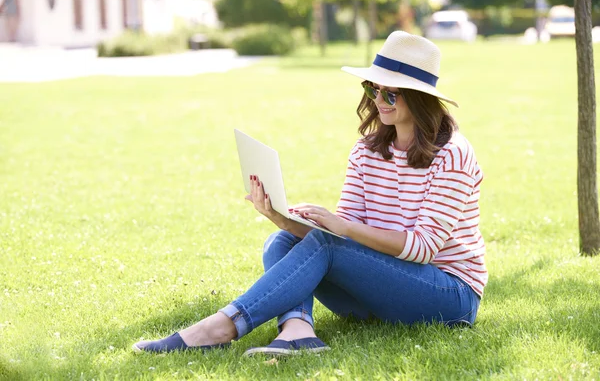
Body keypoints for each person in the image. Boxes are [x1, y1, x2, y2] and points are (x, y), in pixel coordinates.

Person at [133, 31, 487, 356]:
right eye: (371, 89)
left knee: (326, 243)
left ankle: (221, 327)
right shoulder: (367, 150)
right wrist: (280, 218)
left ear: (421, 99)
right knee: (280, 242)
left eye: (390, 93)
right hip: (384, 290)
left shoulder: (452, 153)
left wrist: (343, 229)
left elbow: (422, 248)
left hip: (448, 296)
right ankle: (297, 329)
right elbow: (340, 238)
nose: (378, 100)